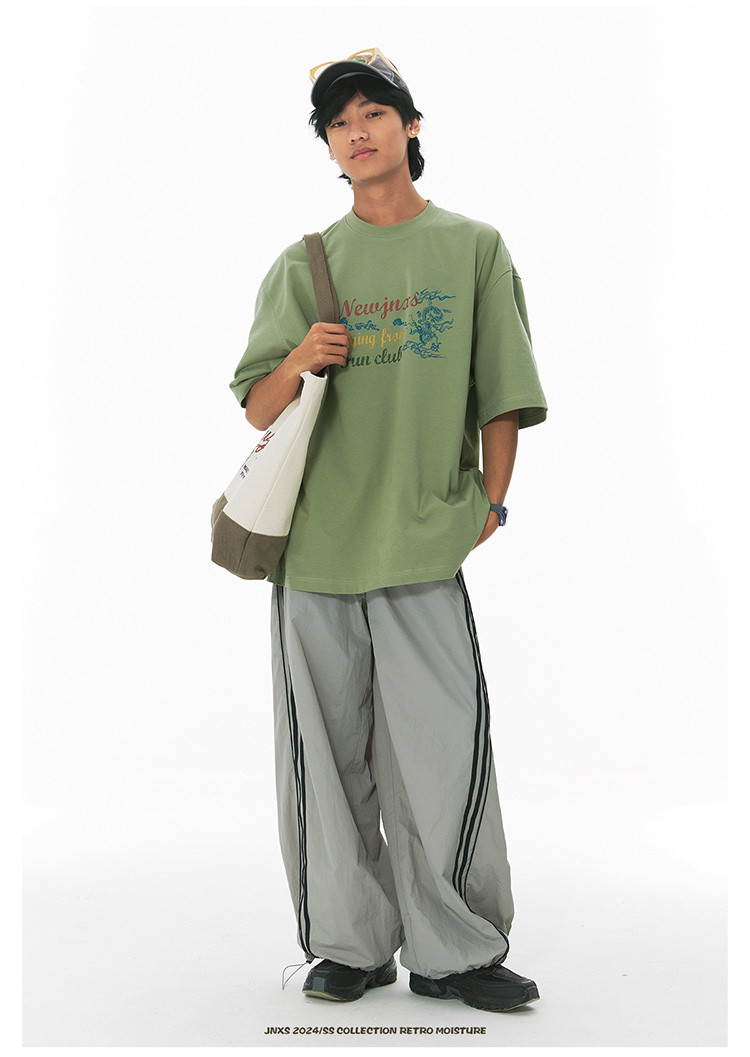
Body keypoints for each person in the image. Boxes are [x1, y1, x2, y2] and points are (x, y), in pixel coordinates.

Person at [229, 49, 548, 1014]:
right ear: (328, 146)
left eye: (373, 112)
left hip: (421, 540)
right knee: (323, 758)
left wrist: (490, 502)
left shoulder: (473, 247)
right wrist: (302, 354)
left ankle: (456, 950)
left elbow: (502, 390)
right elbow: (258, 406)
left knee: (443, 751)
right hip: (316, 548)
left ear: (411, 125)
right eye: (338, 122)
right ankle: (349, 944)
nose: (356, 131)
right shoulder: (305, 264)